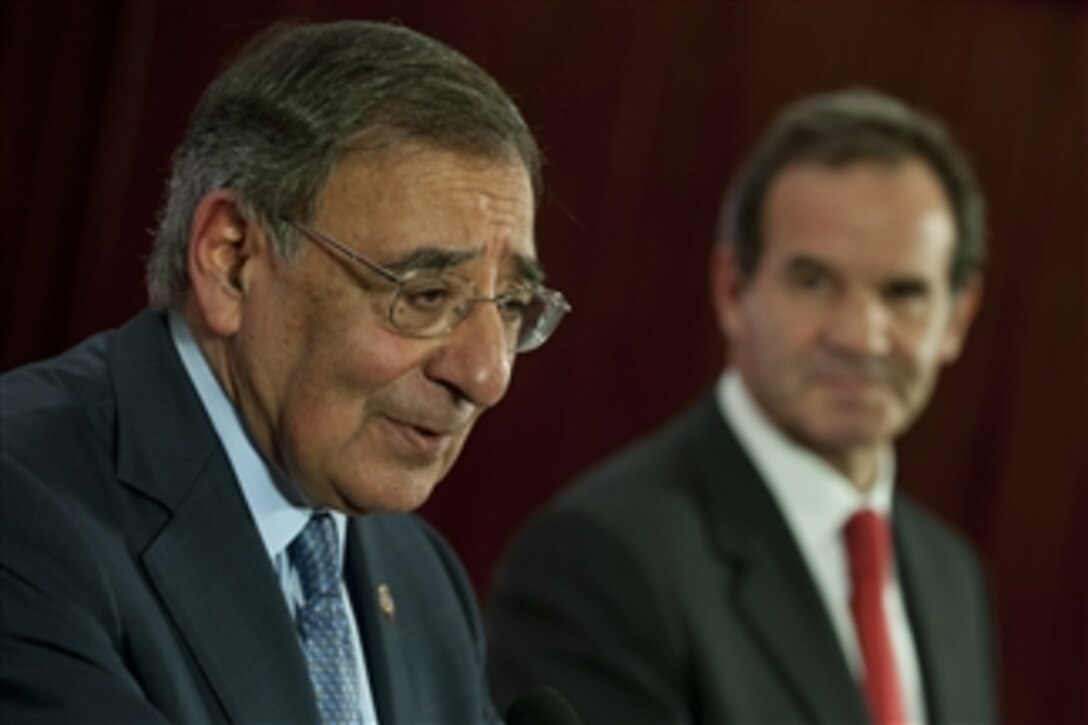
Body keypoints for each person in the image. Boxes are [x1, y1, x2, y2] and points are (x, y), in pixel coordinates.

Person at [0, 19, 570, 723]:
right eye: (425, 295)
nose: (486, 375)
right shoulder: (24, 509)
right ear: (232, 259)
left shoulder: (422, 581)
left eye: (512, 304)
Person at [487, 89, 996, 724]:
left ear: (958, 317)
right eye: (814, 281)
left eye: (904, 293)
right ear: (733, 290)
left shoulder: (950, 574)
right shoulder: (601, 558)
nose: (861, 336)